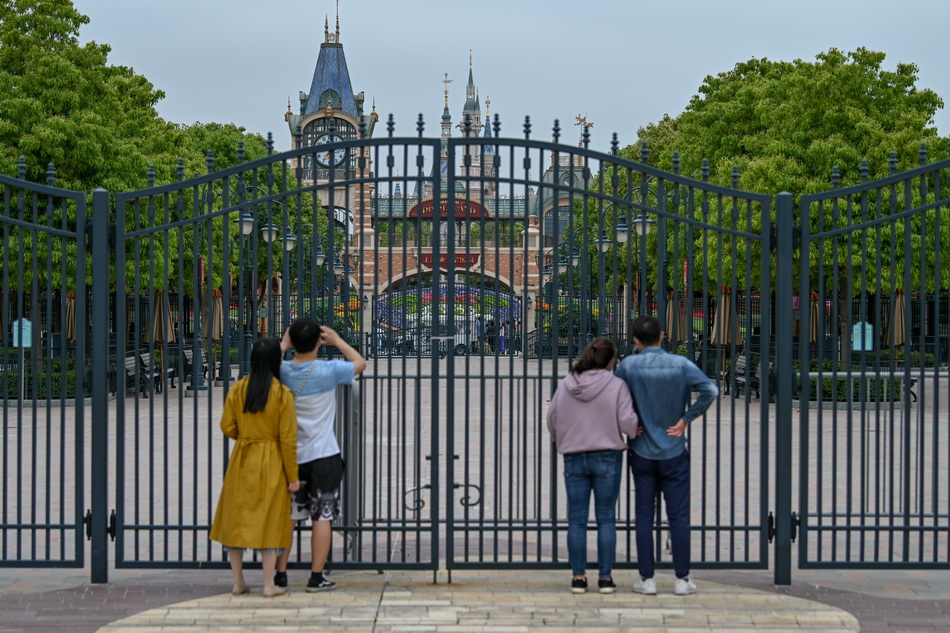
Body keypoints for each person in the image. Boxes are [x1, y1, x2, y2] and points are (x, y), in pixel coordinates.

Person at [614, 316, 718, 596]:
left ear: (634, 338)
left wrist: (629, 421)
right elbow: (711, 390)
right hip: (673, 448)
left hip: (642, 447)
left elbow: (615, 397)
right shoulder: (680, 364)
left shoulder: (628, 366)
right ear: (662, 335)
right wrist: (686, 418)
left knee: (644, 516)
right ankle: (682, 579)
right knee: (678, 517)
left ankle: (647, 579)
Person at [275, 318, 366, 592]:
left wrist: (283, 343)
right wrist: (337, 340)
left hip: (291, 457)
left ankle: (279, 573)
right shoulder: (328, 371)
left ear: (292, 341)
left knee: (288, 518)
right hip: (324, 454)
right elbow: (360, 363)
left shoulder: (282, 371)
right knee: (322, 517)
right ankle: (317, 576)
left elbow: (264, 362)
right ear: (319, 341)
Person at [546, 338, 639, 594]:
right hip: (607, 454)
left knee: (576, 519)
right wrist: (634, 429)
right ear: (610, 360)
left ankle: (578, 577)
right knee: (606, 518)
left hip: (574, 454)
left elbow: (552, 418)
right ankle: (605, 578)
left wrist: (562, 438)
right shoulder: (616, 384)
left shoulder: (568, 384)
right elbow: (626, 421)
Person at [210, 337, 300, 598]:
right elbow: (288, 438)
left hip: (243, 458)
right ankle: (269, 583)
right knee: (271, 520)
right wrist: (292, 476)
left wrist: (246, 436)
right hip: (272, 460)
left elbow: (227, 427)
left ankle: (238, 581)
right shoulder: (282, 394)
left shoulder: (238, 389)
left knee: (236, 519)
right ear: (276, 362)